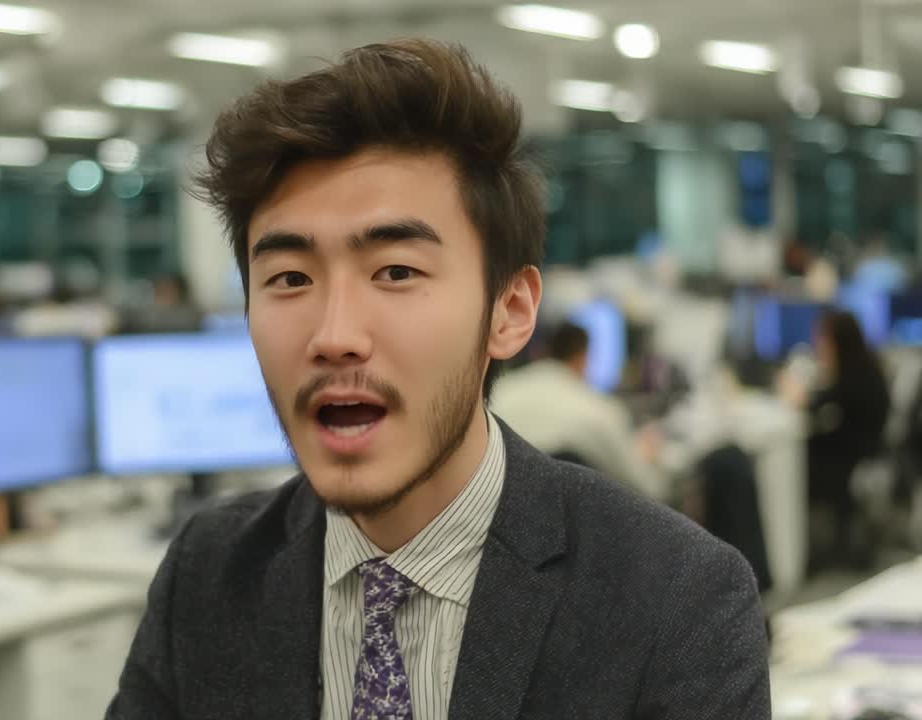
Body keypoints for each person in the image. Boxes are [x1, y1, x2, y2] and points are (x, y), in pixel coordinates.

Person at [108, 39, 769, 720]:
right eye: (290, 278)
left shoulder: (676, 600)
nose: (334, 336)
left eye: (396, 271)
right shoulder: (209, 573)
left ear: (509, 312)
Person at [490, 322, 669, 501]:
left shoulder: (498, 393)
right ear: (582, 358)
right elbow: (648, 487)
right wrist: (648, 456)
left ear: (544, 351)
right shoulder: (600, 410)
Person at [807, 310, 891, 569]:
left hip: (855, 459)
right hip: (861, 449)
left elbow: (819, 401)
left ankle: (809, 552)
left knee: (800, 464)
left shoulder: (854, 375)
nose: (818, 343)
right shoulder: (864, 366)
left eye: (823, 337)